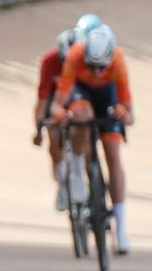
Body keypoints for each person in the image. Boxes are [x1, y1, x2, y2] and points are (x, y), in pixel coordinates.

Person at [51, 24, 134, 254]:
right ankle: (77, 173)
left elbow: (129, 111)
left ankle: (121, 228)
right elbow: (58, 100)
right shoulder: (76, 55)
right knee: (81, 118)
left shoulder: (118, 61)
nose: (97, 72)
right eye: (92, 66)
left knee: (113, 154)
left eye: (101, 67)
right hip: (82, 94)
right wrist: (60, 113)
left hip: (108, 96)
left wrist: (124, 115)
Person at [34, 28, 76, 210]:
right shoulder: (49, 62)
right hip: (56, 100)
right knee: (53, 134)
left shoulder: (84, 62)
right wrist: (39, 129)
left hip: (77, 99)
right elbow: (42, 100)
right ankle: (62, 183)